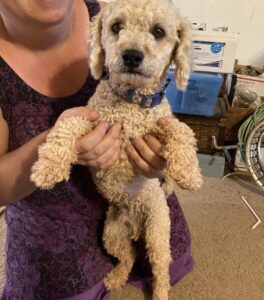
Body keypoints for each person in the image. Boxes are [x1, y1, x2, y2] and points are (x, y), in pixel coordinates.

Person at [0, 0, 194, 299]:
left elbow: (164, 126)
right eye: (118, 29)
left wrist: (162, 162)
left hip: (142, 199)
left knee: (158, 266)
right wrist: (56, 144)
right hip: (53, 247)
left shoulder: (107, 9)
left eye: (156, 31)